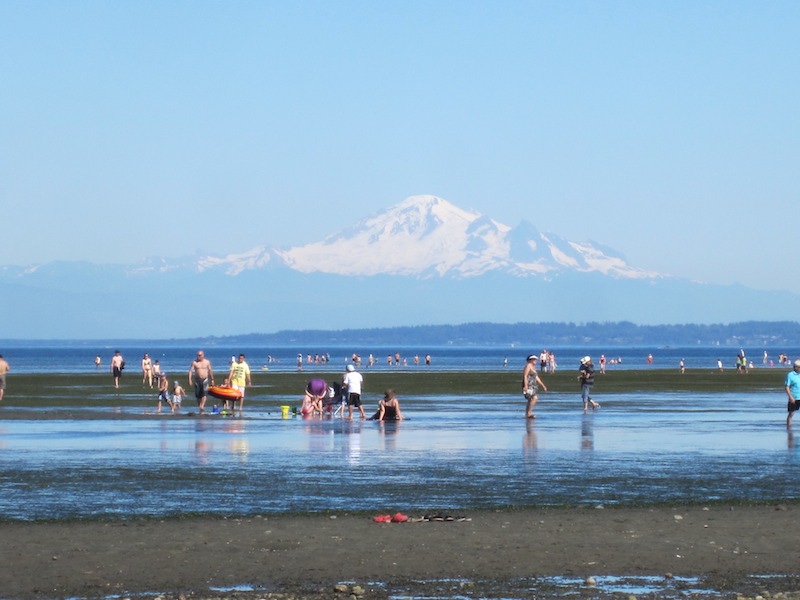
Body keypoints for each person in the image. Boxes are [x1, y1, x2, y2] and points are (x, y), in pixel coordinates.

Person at [521, 354, 547, 419]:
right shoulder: (528, 366)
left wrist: (543, 385)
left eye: (536, 359)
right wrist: (526, 385)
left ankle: (527, 414)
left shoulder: (533, 367)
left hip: (533, 386)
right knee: (534, 398)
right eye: (534, 359)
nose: (535, 361)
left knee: (530, 399)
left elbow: (536, 377)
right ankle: (529, 412)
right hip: (528, 385)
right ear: (530, 360)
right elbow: (525, 376)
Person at [785, 359, 800, 427]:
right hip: (794, 397)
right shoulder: (790, 375)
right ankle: (789, 429)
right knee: (791, 413)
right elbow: (787, 386)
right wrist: (790, 397)